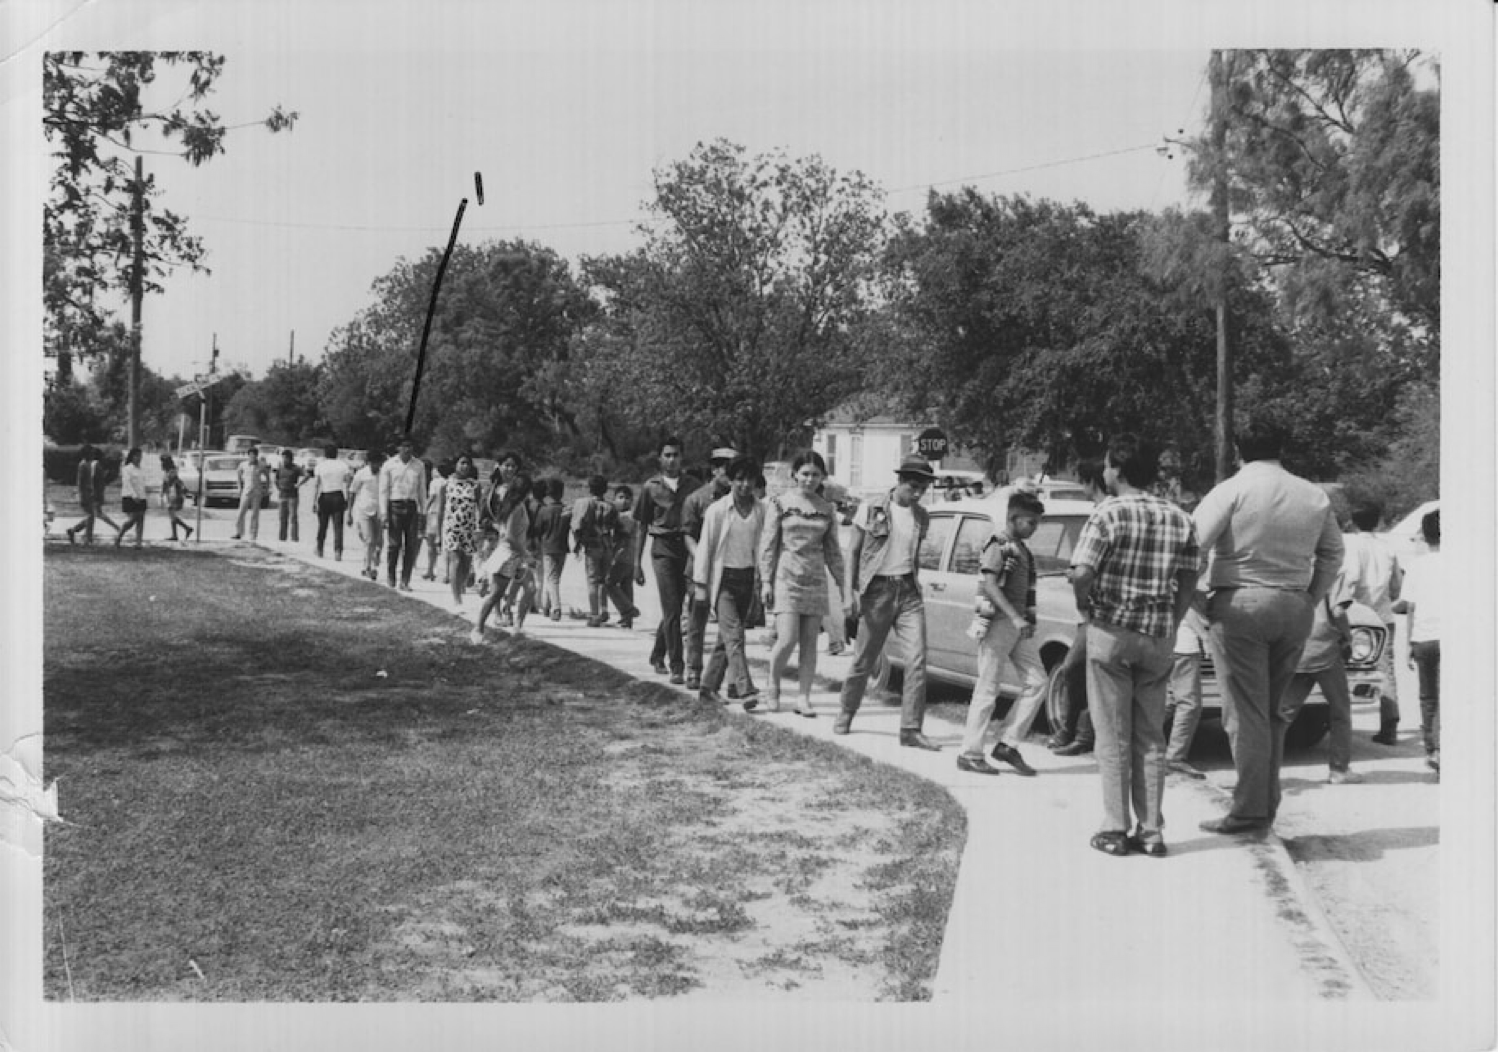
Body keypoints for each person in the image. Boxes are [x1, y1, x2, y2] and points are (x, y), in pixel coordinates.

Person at [1192, 419, 1344, 835]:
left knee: (1244, 714)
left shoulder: (1231, 490)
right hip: (1294, 604)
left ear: (1238, 449)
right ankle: (1264, 805)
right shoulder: (1312, 495)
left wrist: (1198, 602)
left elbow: (1193, 548)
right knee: (1273, 712)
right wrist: (1310, 597)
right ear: (1282, 448)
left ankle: (1247, 810)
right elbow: (1333, 553)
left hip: (1240, 601)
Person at [1070, 434, 1200, 857]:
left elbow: (1081, 571)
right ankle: (1151, 829)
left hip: (1111, 630)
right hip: (1158, 636)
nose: (1104, 472)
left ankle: (1115, 827)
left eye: (1108, 465)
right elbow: (1187, 581)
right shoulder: (1180, 518)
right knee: (1151, 736)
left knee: (1112, 735)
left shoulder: (1107, 513)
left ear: (1119, 470)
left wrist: (1085, 605)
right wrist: (1173, 621)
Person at [834, 455, 941, 750]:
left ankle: (910, 729)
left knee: (917, 659)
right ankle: (846, 711)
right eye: (913, 486)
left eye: (923, 488)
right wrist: (849, 594)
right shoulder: (871, 508)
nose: (918, 492)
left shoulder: (922, 516)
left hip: (907, 591)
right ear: (900, 481)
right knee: (864, 659)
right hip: (876, 591)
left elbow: (914, 554)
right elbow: (852, 552)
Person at [956, 490, 1049, 777]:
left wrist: (1025, 619)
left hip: (1018, 625)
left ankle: (1008, 744)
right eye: (1030, 522)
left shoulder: (1022, 548)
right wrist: (1013, 616)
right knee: (988, 688)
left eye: (1036, 522)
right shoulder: (999, 543)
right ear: (1013, 518)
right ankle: (970, 752)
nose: (1034, 528)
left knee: (1037, 682)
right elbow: (991, 584)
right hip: (997, 623)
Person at [759, 451, 846, 716]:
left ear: (823, 477)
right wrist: (766, 581)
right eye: (805, 473)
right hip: (787, 577)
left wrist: (844, 584)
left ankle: (803, 697)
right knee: (787, 639)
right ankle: (772, 687)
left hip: (815, 579)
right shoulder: (779, 503)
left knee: (810, 643)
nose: (809, 479)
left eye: (815, 474)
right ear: (794, 474)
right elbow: (768, 544)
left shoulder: (827, 509)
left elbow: (833, 551)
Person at [1278, 576, 1365, 785]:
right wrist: (1348, 636)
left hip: (1295, 648)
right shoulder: (1332, 572)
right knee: (1340, 712)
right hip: (1325, 651)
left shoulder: (1291, 567)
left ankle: (1265, 769)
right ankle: (1339, 770)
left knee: (1283, 714)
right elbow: (1338, 611)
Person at [693, 456, 765, 706]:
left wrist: (764, 582)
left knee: (729, 637)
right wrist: (701, 586)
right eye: (739, 479)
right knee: (734, 635)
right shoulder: (718, 510)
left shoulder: (761, 510)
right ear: (730, 480)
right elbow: (705, 548)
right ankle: (746, 689)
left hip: (747, 579)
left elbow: (763, 549)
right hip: (723, 580)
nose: (745, 484)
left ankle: (708, 688)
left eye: (749, 479)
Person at [1049, 460, 1105, 757]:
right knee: (1078, 670)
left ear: (1091, 482)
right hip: (1094, 611)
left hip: (1097, 612)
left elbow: (1084, 571)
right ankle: (1075, 731)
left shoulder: (1102, 514)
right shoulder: (1095, 514)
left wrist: (1081, 596)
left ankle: (1080, 733)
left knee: (1075, 668)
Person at [633, 437, 700, 684]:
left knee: (678, 605)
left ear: (683, 458)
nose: (672, 460)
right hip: (662, 549)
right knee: (672, 607)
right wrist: (636, 563)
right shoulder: (650, 487)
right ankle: (677, 665)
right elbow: (641, 526)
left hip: (687, 547)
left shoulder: (694, 485)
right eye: (667, 455)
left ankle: (657, 653)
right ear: (660, 458)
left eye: (676, 455)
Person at [1341, 501, 1404, 744]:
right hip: (1384, 617)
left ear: (1352, 521)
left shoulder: (1351, 545)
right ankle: (1390, 722)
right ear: (1378, 521)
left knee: (1346, 671)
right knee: (1386, 668)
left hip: (1357, 617)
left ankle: (1341, 727)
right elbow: (1397, 586)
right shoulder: (1388, 548)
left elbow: (1351, 579)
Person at [682, 447, 738, 688]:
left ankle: (722, 676)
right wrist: (704, 562)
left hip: (731, 570)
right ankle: (693, 669)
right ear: (714, 469)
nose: (728, 472)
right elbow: (688, 535)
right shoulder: (697, 499)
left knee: (729, 626)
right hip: (701, 570)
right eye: (724, 466)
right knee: (698, 622)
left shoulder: (742, 500)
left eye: (732, 467)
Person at [1394, 509, 1440, 773]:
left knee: (1428, 696)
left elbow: (1409, 608)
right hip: (1452, 636)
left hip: (1423, 637)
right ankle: (1446, 747)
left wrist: (1409, 642)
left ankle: (1432, 749)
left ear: (1424, 536)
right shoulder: (1465, 563)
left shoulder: (1416, 566)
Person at [471, 474, 536, 643]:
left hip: (516, 555)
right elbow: (509, 536)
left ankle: (518, 627)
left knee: (530, 589)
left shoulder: (515, 506)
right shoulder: (516, 508)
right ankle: (478, 627)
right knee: (496, 595)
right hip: (509, 555)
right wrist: (526, 554)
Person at [1163, 608, 1209, 779]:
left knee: (1169, 701)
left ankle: (1134, 747)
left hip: (1167, 642)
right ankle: (1175, 758)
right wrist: (1205, 635)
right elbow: (1187, 608)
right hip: (1184, 645)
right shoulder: (1187, 581)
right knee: (1189, 704)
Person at [571, 474, 621, 627]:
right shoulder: (611, 506)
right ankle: (604, 610)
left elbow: (577, 526)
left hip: (592, 546)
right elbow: (616, 526)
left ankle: (594, 614)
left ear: (589, 488)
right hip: (607, 545)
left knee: (592, 580)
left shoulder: (584, 503)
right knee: (604, 581)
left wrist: (578, 544)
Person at [380, 439, 428, 591]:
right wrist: (383, 513)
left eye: (410, 446)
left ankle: (405, 580)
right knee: (394, 544)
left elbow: (422, 490)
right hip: (395, 505)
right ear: (399, 447)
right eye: (405, 446)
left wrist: (423, 511)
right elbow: (383, 490)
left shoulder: (419, 465)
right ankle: (391, 575)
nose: (407, 449)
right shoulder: (389, 465)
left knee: (411, 545)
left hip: (411, 506)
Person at [441, 455, 482, 612]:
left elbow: (480, 506)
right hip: (452, 528)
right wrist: (439, 533)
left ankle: (461, 585)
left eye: (468, 463)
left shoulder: (475, 486)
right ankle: (456, 599)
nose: (465, 466)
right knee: (455, 561)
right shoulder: (447, 484)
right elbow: (441, 510)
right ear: (456, 464)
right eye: (462, 463)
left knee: (465, 564)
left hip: (469, 529)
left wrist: (480, 528)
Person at [534, 477, 572, 620]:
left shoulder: (544, 511)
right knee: (555, 578)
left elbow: (537, 529)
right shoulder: (566, 511)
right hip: (562, 548)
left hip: (547, 547)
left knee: (551, 578)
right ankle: (546, 606)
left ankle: (555, 608)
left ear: (548, 493)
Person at [65, 445, 118, 544]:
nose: (92, 455)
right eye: (90, 453)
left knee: (91, 516)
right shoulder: (83, 465)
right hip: (85, 494)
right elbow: (81, 483)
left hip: (89, 494)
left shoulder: (88, 465)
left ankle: (74, 531)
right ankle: (88, 538)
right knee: (91, 515)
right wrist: (82, 494)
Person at [347, 450, 387, 580]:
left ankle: (373, 560)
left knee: (379, 541)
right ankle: (368, 567)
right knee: (369, 539)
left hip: (380, 511)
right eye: (374, 463)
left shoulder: (384, 475)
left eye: (378, 463)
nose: (376, 465)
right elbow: (352, 491)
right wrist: (349, 512)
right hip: (364, 510)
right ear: (369, 462)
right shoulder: (361, 474)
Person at [606, 485, 642, 629]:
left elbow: (622, 529)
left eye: (627, 498)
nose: (624, 501)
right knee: (626, 586)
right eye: (621, 498)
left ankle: (628, 610)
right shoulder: (627, 516)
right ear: (614, 499)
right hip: (630, 557)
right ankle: (627, 620)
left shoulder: (627, 516)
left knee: (610, 583)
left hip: (622, 555)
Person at [311, 444, 352, 560]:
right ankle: (338, 551)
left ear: (325, 454)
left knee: (322, 525)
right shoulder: (343, 465)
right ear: (336, 453)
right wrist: (348, 499)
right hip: (338, 495)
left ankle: (320, 548)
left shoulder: (320, 466)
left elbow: (317, 485)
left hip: (325, 495)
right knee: (338, 526)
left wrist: (314, 501)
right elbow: (348, 484)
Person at [232, 446, 270, 541]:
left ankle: (253, 534)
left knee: (255, 514)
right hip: (246, 490)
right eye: (251, 455)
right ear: (248, 455)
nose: (252, 457)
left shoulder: (261, 465)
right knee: (241, 512)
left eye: (254, 455)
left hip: (257, 491)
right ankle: (239, 532)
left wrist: (266, 488)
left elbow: (267, 476)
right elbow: (238, 475)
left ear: (257, 456)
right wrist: (240, 487)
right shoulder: (243, 465)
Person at [114, 447, 149, 548]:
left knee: (141, 519)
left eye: (140, 456)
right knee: (132, 519)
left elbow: (142, 484)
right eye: (136, 456)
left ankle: (139, 542)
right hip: (130, 496)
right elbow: (127, 483)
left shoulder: (141, 469)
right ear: (132, 457)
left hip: (141, 496)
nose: (138, 458)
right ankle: (119, 536)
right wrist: (134, 495)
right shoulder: (127, 469)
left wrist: (143, 496)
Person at [423, 459, 451, 582]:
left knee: (431, 545)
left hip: (434, 514)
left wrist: (424, 510)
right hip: (447, 515)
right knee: (445, 545)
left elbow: (432, 497)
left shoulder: (435, 482)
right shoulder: (450, 482)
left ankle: (430, 570)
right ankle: (447, 573)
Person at [160, 454, 193, 543]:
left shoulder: (171, 472)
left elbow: (176, 481)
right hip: (170, 495)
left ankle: (187, 528)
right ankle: (174, 534)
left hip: (174, 495)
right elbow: (165, 484)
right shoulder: (167, 472)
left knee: (172, 515)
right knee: (172, 515)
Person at [274, 448, 304, 542]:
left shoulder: (296, 468)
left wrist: (299, 484)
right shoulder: (280, 468)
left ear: (290, 458)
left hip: (292, 496)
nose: (284, 460)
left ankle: (294, 538)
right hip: (282, 495)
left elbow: (307, 475)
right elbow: (276, 479)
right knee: (282, 517)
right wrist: (278, 486)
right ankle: (282, 538)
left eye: (286, 458)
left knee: (293, 517)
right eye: (283, 458)